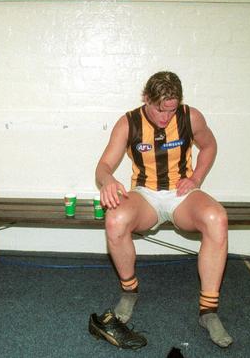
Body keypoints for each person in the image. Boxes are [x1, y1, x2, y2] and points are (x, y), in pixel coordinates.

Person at [92, 71, 232, 348]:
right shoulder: (128, 122)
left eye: (172, 110)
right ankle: (129, 291)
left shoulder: (190, 117)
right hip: (145, 195)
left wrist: (196, 179)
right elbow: (103, 166)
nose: (166, 117)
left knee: (217, 218)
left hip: (182, 196)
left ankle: (208, 311)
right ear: (146, 99)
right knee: (115, 219)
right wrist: (108, 181)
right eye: (160, 110)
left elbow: (209, 145)